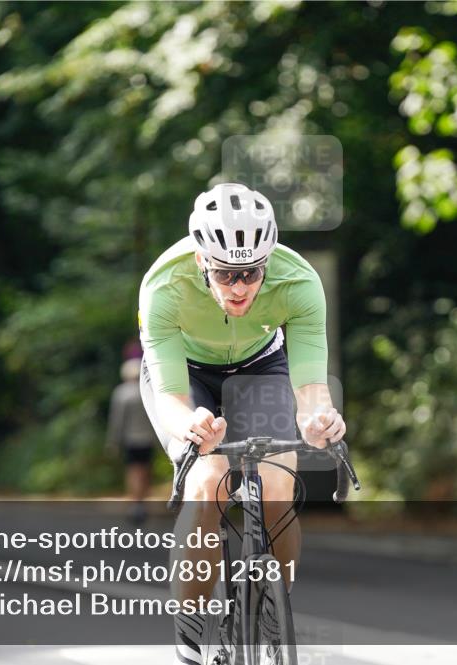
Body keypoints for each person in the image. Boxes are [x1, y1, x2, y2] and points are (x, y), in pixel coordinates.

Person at [137, 182, 345, 665]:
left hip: (259, 364)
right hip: (185, 373)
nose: (239, 287)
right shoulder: (163, 286)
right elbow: (169, 398)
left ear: (267, 261)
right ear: (202, 261)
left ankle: (275, 609)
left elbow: (311, 389)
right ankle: (190, 626)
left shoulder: (298, 281)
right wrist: (191, 425)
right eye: (227, 272)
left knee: (278, 481)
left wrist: (317, 419)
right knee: (207, 482)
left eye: (251, 272)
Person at [107, 357, 159, 524]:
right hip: (149, 439)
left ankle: (135, 504)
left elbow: (117, 421)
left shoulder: (121, 393)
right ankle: (141, 502)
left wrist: (113, 442)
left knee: (133, 471)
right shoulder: (148, 391)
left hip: (131, 440)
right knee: (145, 471)